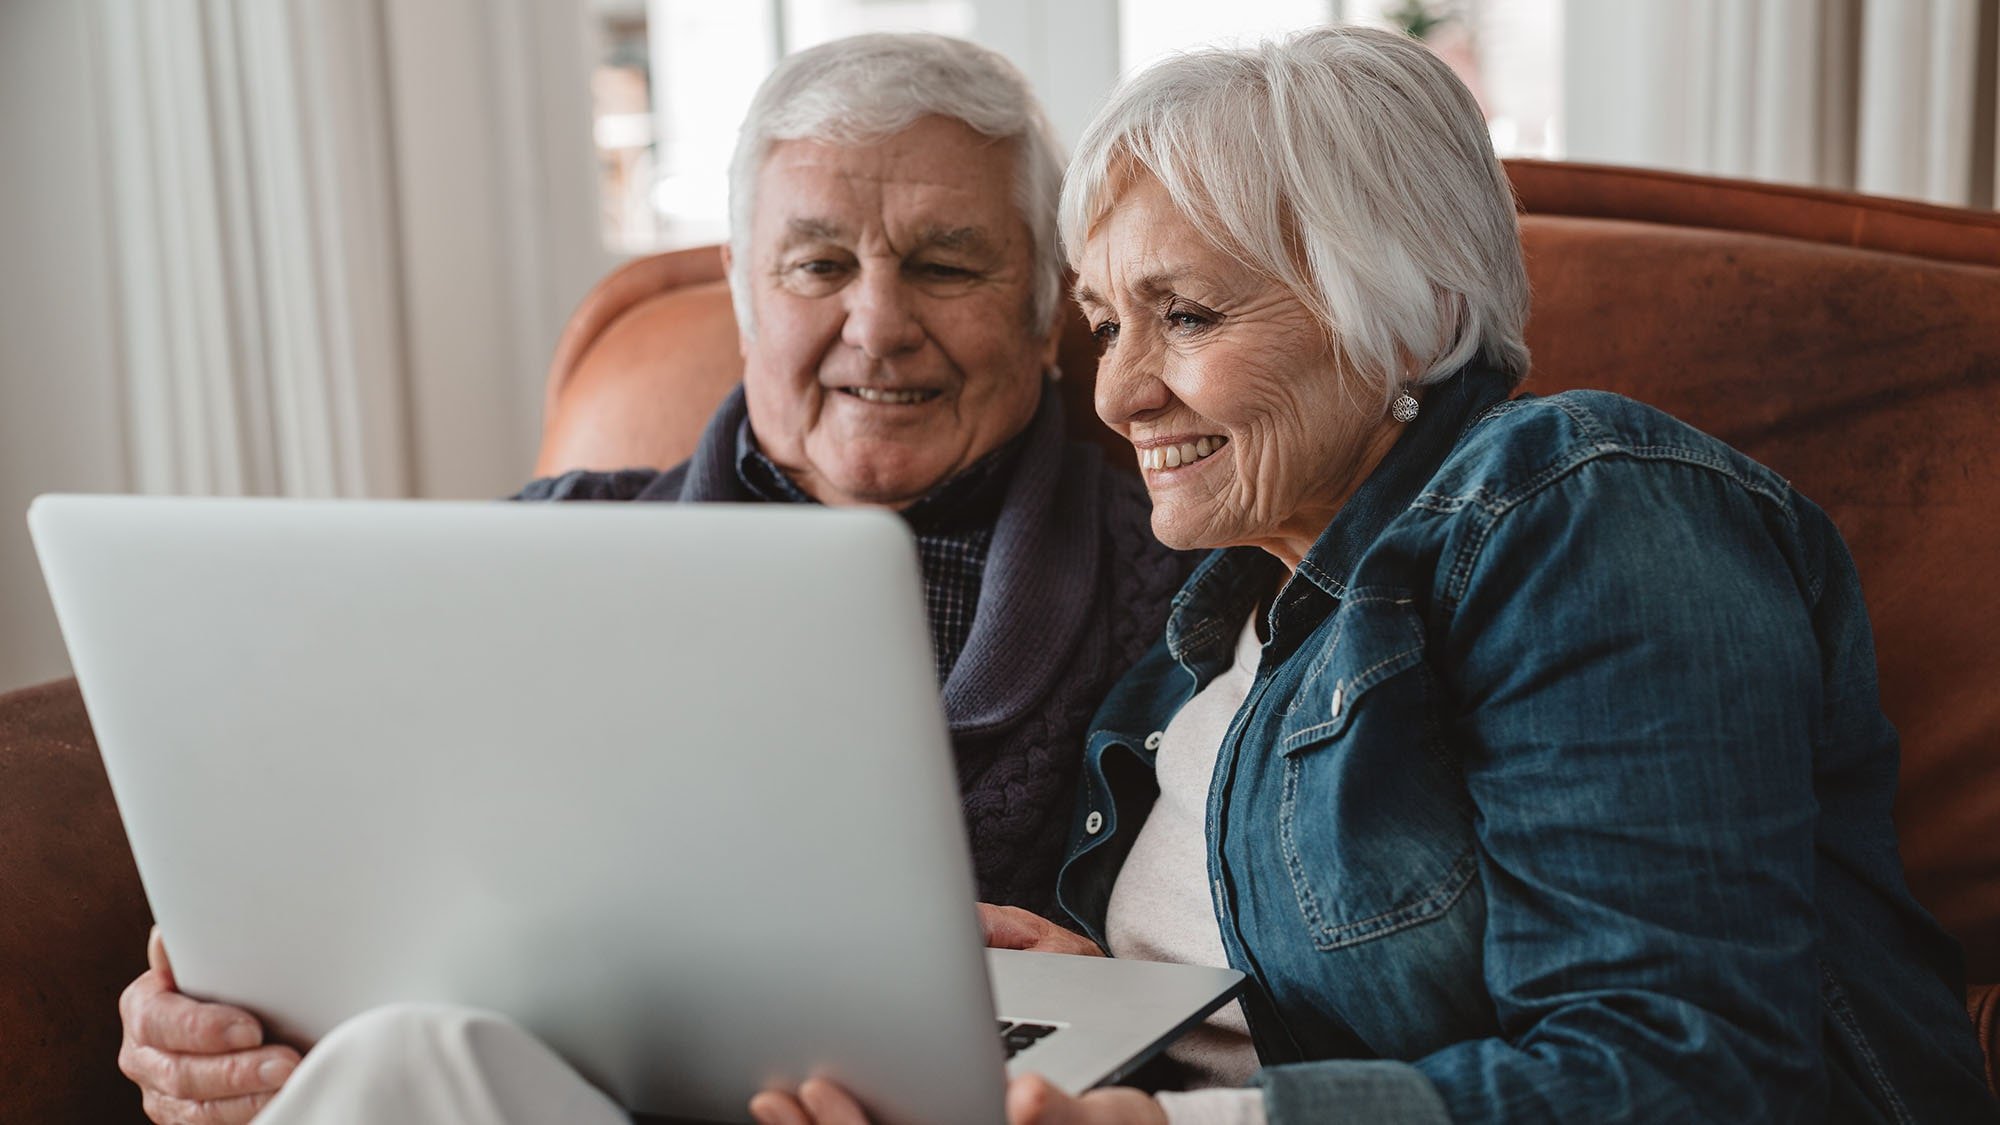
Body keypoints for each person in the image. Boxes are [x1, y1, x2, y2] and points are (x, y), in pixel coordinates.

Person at [759, 25, 2000, 1125]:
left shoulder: (1580, 504)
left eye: (1184, 314)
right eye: (1104, 321)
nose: (1117, 391)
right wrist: (1126, 1015)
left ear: (1404, 315)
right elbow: (1301, 1010)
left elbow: (1686, 1072)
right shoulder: (1210, 640)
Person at [113, 34, 1189, 1125]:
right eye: (817, 265)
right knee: (403, 1054)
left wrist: (1095, 988)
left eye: (945, 265)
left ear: (1046, 303)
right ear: (740, 291)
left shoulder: (1183, 584)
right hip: (534, 1091)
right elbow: (325, 879)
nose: (876, 324)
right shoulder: (531, 552)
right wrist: (216, 1023)